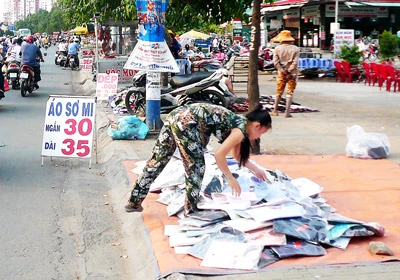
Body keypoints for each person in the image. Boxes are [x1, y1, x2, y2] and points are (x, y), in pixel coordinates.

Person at [125, 103, 272, 215]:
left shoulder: (239, 125)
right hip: (188, 122)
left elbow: (237, 155)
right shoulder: (240, 130)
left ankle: (133, 202)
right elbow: (219, 155)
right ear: (257, 126)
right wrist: (230, 178)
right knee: (196, 167)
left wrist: (256, 169)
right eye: (262, 133)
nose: (259, 137)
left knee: (157, 161)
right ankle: (191, 210)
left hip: (176, 116)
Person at [271, 30, 299, 118]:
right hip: (292, 73)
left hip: (281, 73)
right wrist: (289, 70)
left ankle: (275, 110)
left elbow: (275, 62)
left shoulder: (277, 49)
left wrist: (282, 70)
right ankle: (287, 112)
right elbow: (295, 62)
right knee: (289, 92)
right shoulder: (295, 49)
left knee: (279, 91)